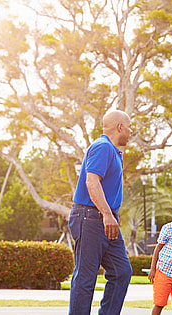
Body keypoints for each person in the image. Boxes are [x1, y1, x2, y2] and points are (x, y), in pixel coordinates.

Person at [68, 109, 133, 315]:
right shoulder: (102, 147)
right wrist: (106, 214)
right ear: (120, 127)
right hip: (90, 218)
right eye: (129, 127)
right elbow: (91, 181)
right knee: (86, 277)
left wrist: (109, 216)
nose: (131, 132)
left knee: (121, 272)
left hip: (106, 220)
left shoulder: (114, 152)